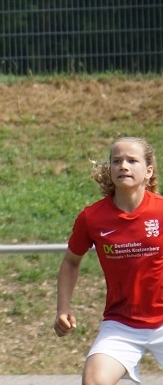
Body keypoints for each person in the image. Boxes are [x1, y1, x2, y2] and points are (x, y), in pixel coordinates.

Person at [54, 137, 162, 385]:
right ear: (110, 169)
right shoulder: (92, 217)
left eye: (132, 160)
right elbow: (71, 262)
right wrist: (63, 309)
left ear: (148, 171)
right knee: (94, 381)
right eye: (116, 161)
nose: (123, 166)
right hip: (121, 324)